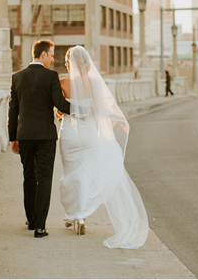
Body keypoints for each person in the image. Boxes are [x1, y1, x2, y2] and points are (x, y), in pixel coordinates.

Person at [57, 46, 149, 249]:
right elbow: (101, 111)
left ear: (68, 63)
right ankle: (81, 217)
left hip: (70, 134)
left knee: (70, 172)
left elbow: (59, 110)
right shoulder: (96, 84)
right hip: (89, 133)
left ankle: (72, 215)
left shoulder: (62, 82)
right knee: (85, 173)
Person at [8, 39, 71, 238]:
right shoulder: (51, 76)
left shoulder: (17, 77)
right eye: (51, 55)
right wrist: (84, 109)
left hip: (25, 135)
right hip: (45, 136)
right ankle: (40, 227)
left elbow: (13, 112)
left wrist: (13, 138)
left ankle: (31, 220)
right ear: (43, 54)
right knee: (44, 179)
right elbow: (60, 103)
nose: (53, 60)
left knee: (29, 176)